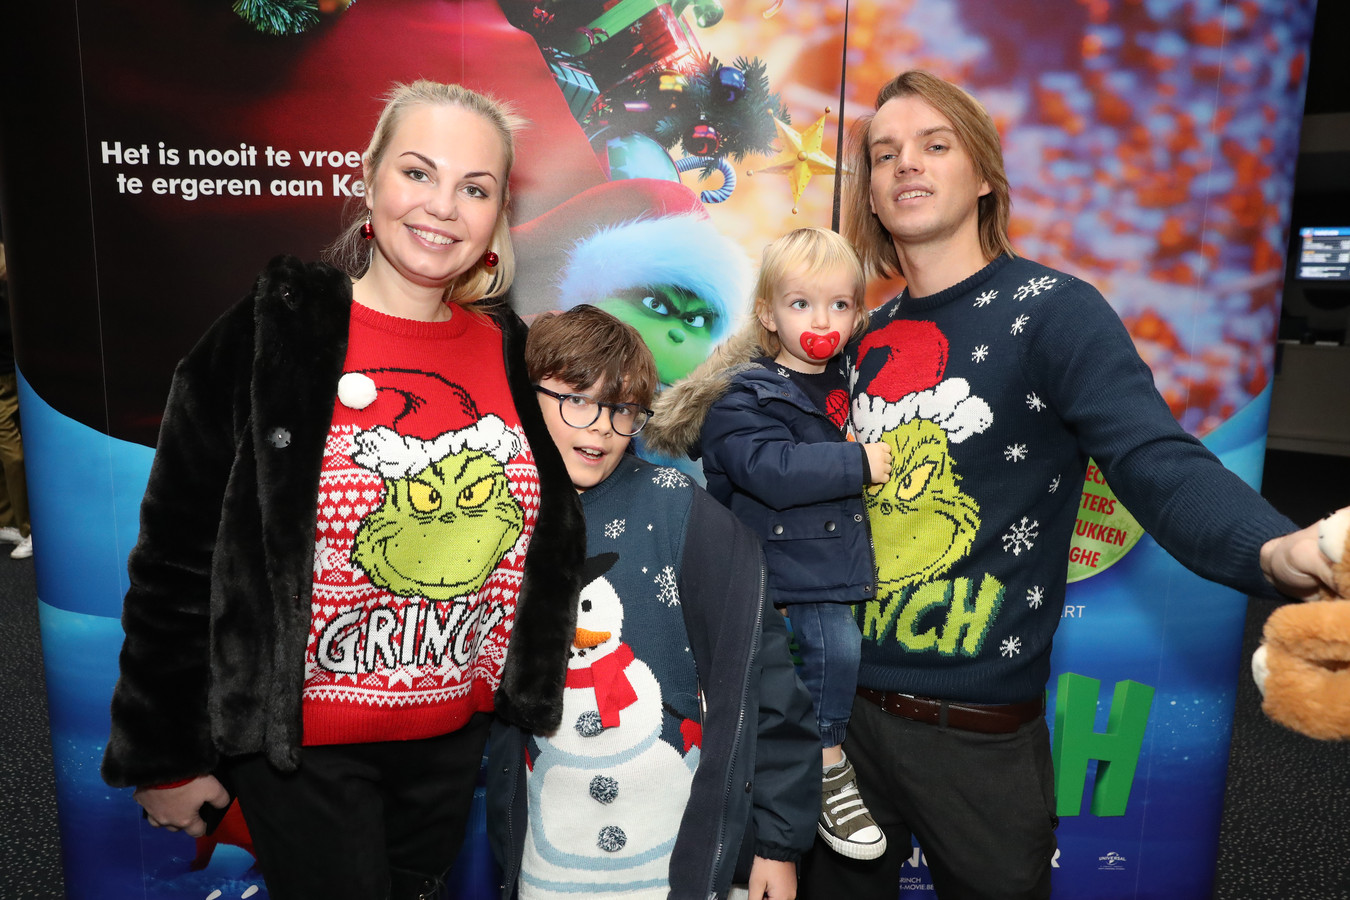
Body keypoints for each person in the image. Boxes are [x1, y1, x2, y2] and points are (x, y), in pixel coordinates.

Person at [797, 69, 1348, 899]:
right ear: (871, 194)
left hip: (977, 740)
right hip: (840, 726)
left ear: (982, 175)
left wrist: (1275, 548)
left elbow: (1156, 460)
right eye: (885, 154)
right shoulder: (860, 336)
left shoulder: (1054, 311)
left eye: (934, 144)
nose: (906, 164)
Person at [100, 80, 586, 900]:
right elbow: (178, 562)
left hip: (449, 742)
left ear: (500, 210)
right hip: (303, 752)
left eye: (475, 188)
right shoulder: (270, 334)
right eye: (418, 173)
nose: (442, 207)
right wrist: (165, 754)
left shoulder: (512, 349)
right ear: (368, 179)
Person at [487, 304, 820, 900]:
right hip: (549, 859)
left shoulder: (684, 513)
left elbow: (764, 683)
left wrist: (776, 842)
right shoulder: (502, 511)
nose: (600, 428)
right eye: (576, 400)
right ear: (527, 393)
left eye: (621, 409)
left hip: (678, 859)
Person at [644, 226, 891, 860]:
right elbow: (769, 472)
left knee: (832, 661)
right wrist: (857, 463)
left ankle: (813, 770)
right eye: (801, 303)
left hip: (829, 564)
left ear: (858, 314)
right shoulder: (741, 396)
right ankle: (829, 762)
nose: (822, 320)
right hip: (777, 573)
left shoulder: (849, 381)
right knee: (823, 658)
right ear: (768, 315)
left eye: (840, 305)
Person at [0, 242, 32, 560]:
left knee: (11, 448)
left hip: (7, 372)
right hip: (8, 368)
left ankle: (27, 527)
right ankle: (8, 520)